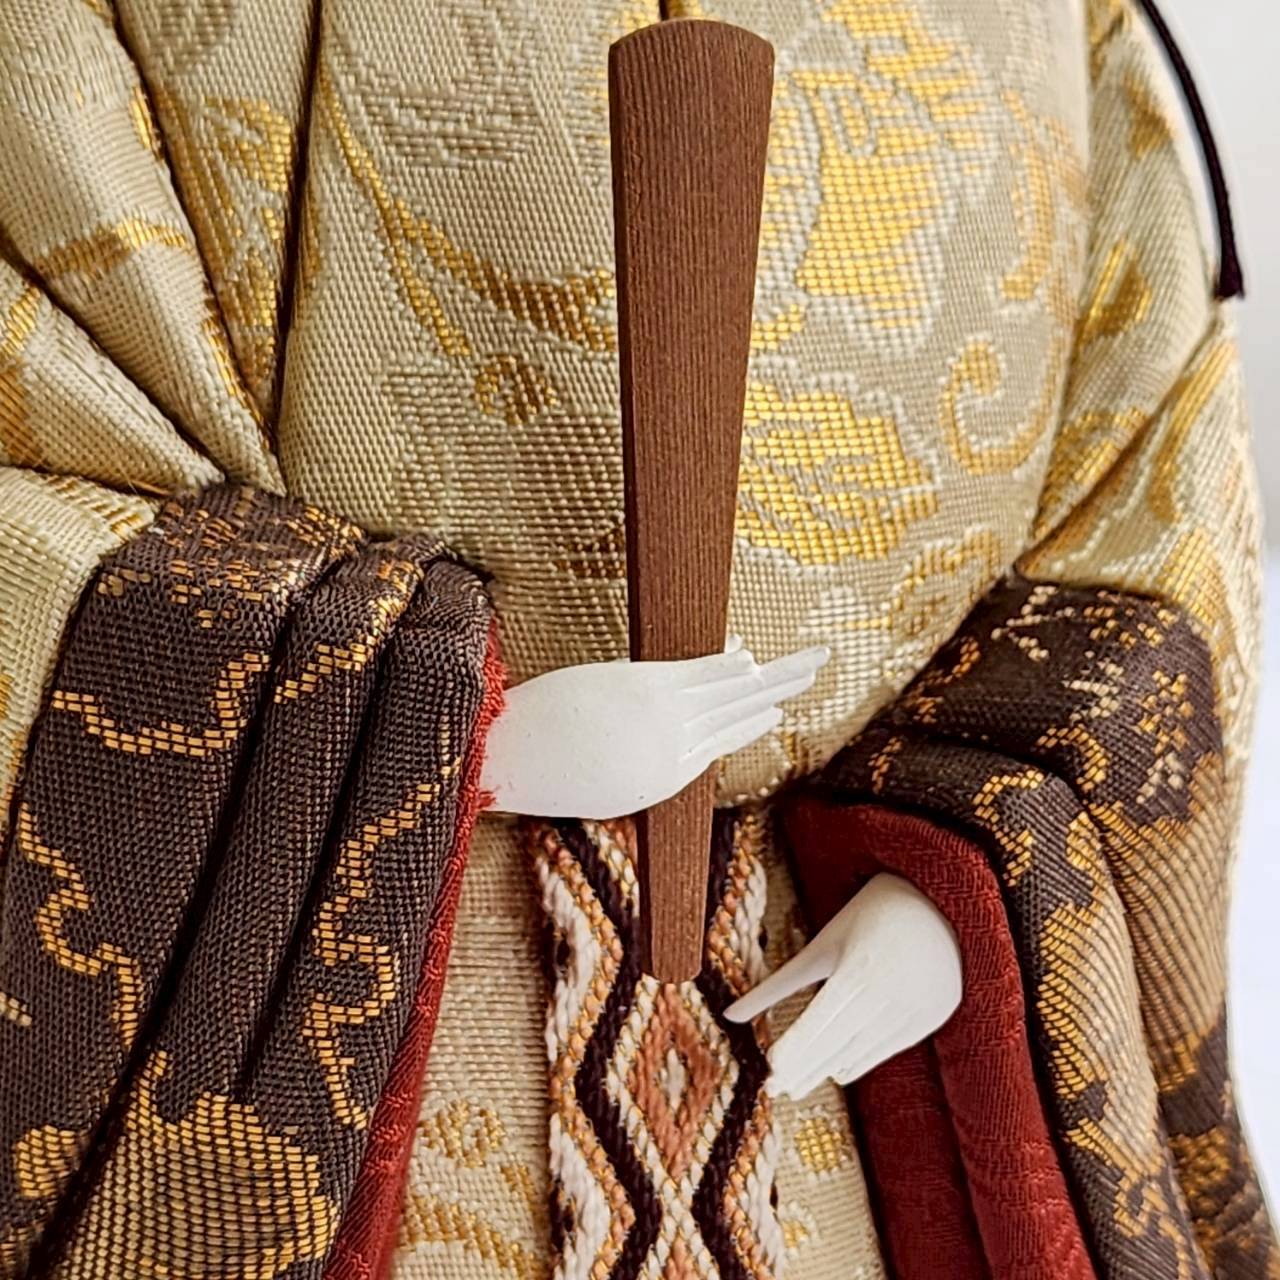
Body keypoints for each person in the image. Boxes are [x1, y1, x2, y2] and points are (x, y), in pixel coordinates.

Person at [0, 1, 1272, 1277]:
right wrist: (444, 737)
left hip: (838, 1041)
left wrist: (981, 887)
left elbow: (1142, 509)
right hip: (402, 1021)